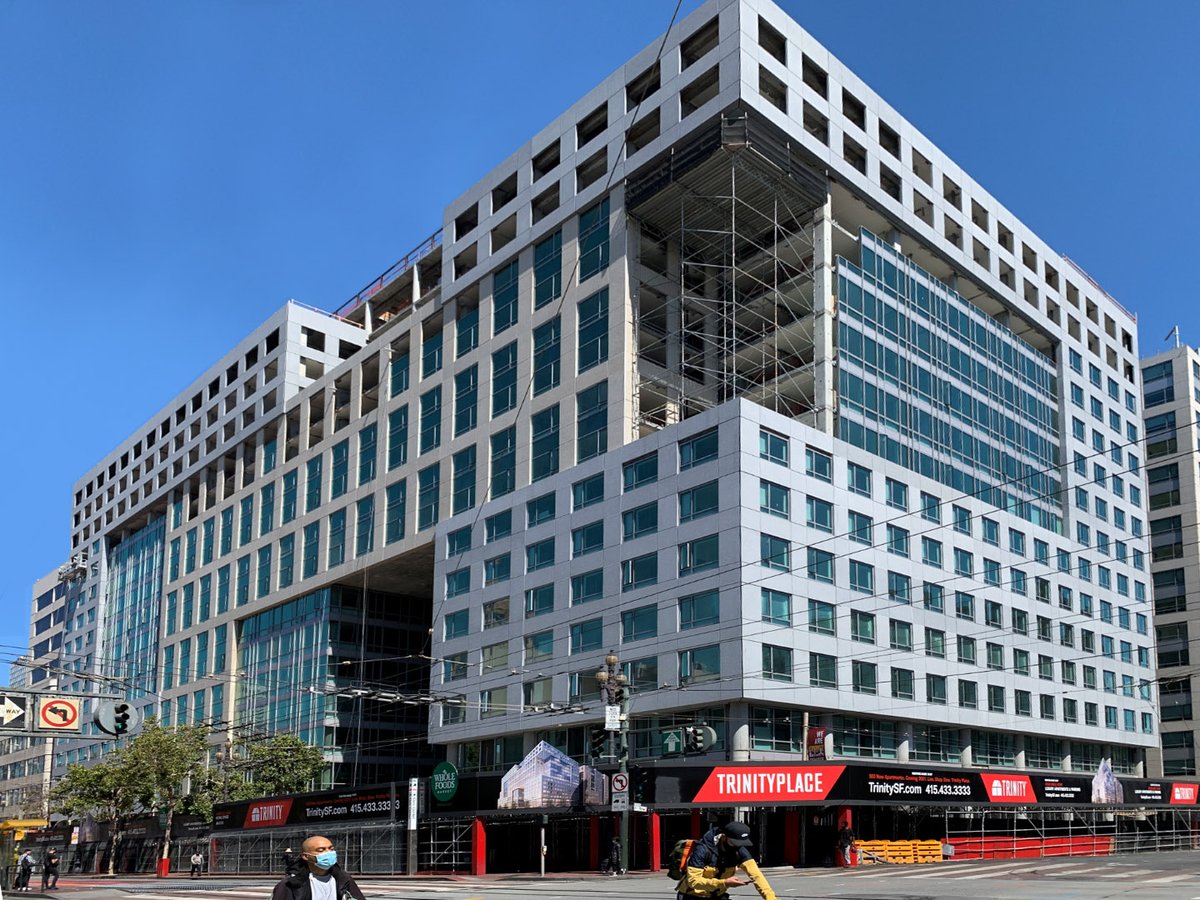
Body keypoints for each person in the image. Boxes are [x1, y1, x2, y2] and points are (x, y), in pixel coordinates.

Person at [676, 822, 775, 900]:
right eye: (734, 842)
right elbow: (693, 882)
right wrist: (724, 883)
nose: (737, 846)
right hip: (692, 896)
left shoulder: (739, 850)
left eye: (740, 843)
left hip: (717, 895)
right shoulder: (702, 850)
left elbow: (757, 876)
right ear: (723, 836)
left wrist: (770, 898)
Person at [271, 835, 365, 900]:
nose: (328, 853)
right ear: (306, 856)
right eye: (321, 850)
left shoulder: (343, 879)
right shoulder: (291, 884)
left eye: (331, 849)